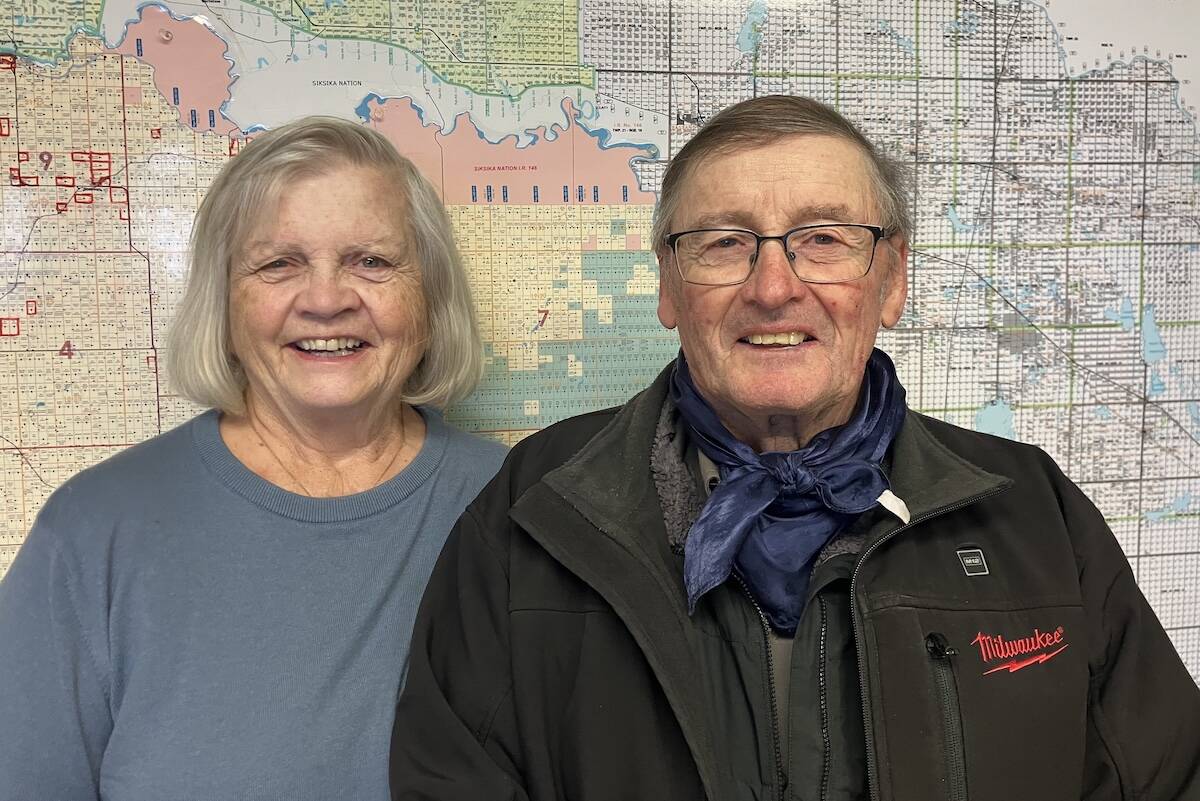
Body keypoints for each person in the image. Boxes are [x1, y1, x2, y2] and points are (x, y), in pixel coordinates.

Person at [389, 95, 1200, 800]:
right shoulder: (537, 509)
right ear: (669, 288)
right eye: (723, 242)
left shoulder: (1034, 515)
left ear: (891, 280)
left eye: (824, 239)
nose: (774, 285)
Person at [0, 117, 507, 800]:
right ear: (224, 302)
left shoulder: (520, 510)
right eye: (279, 263)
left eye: (372, 261)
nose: (327, 300)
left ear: (429, 298)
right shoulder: (92, 534)